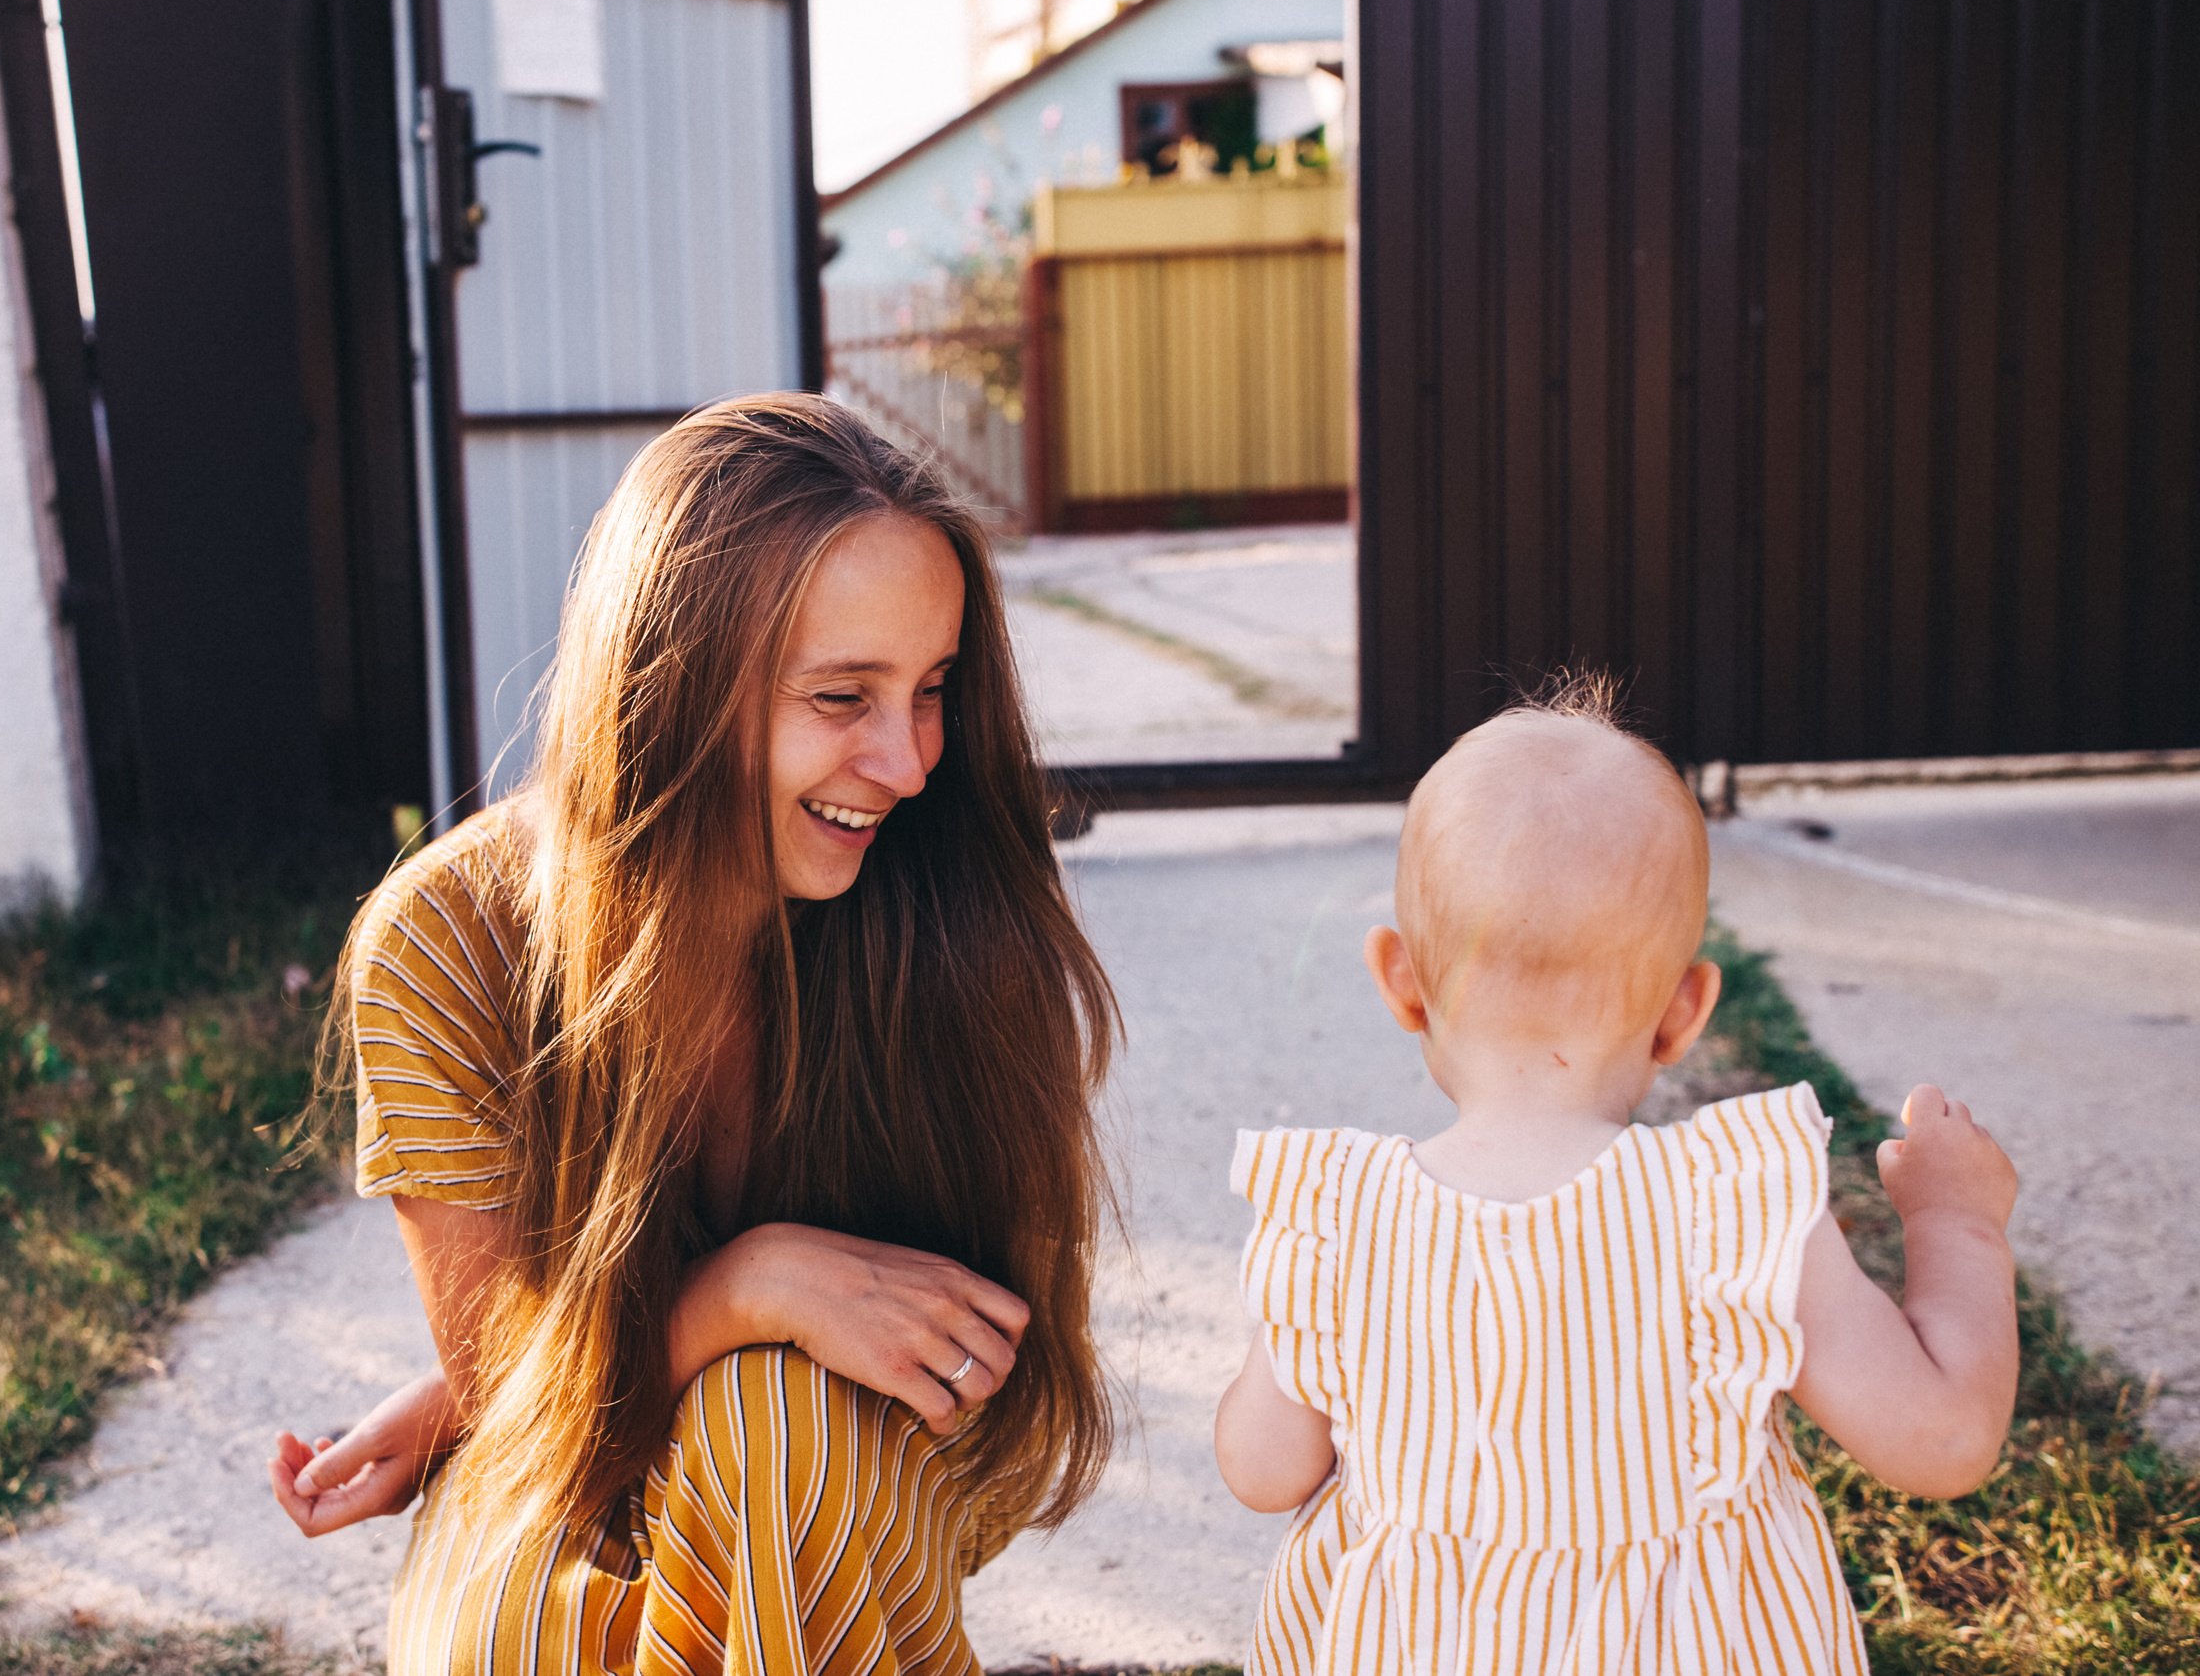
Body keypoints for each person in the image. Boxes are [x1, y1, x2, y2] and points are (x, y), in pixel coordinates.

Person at [267, 394, 1117, 1673]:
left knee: (774, 1427)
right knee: (523, 1634)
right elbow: (529, 1409)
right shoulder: (448, 938)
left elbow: (993, 1365)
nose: (907, 763)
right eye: (842, 697)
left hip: (851, 1463)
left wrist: (519, 1389)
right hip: (578, 1462)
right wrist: (746, 1286)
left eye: (931, 691)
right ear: (665, 685)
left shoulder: (955, 906)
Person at [1213, 680, 2020, 1675]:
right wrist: (1957, 1223)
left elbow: (1260, 1471)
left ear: (1401, 983)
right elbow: (1941, 1442)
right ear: (1684, 1013)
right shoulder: (1729, 1210)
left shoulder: (1336, 1221)